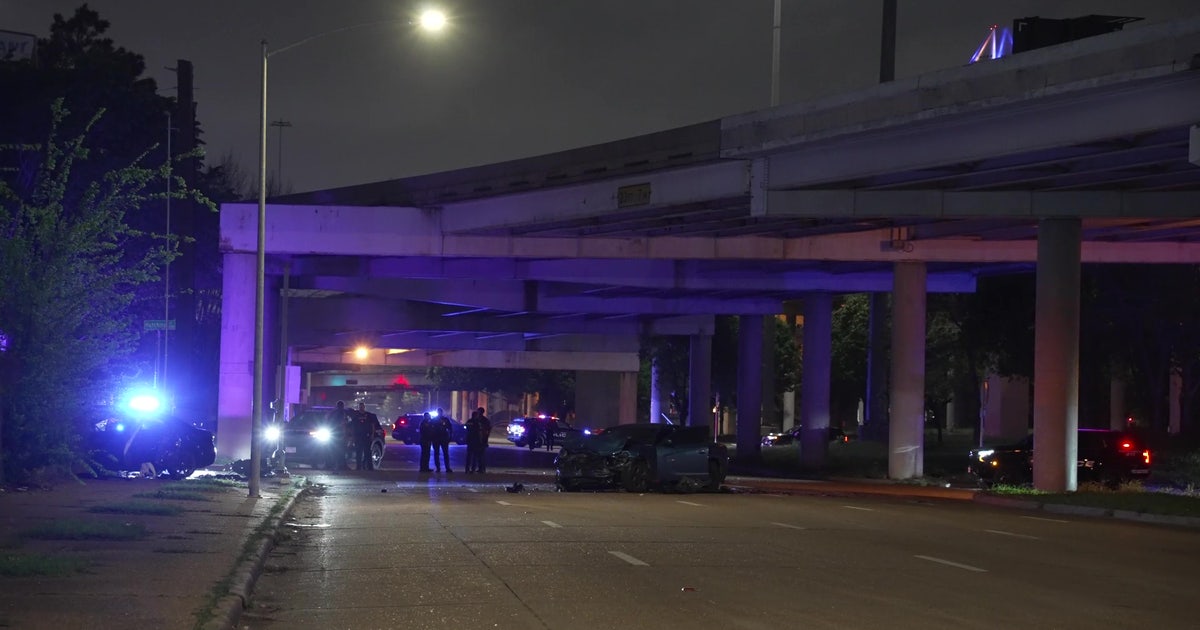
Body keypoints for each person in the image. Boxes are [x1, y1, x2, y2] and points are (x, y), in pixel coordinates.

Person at [352, 402, 377, 471]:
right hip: (358, 436)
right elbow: (353, 426)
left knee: (368, 452)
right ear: (359, 407)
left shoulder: (368, 415)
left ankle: (369, 467)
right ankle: (358, 467)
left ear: (364, 407)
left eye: (362, 406)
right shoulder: (356, 415)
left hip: (367, 436)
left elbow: (372, 425)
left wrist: (372, 434)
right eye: (360, 406)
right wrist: (353, 436)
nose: (361, 408)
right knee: (358, 452)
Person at [433, 407, 453, 472]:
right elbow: (431, 429)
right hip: (437, 438)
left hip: (443, 438)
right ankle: (439, 468)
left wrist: (450, 436)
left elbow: (450, 428)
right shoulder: (434, 419)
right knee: (437, 453)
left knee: (445, 453)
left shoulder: (445, 420)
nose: (439, 413)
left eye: (440, 412)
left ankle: (446, 468)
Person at [464, 409, 483, 473]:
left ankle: (467, 469)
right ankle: (473, 469)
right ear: (476, 416)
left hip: (469, 440)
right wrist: (481, 440)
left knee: (469, 456)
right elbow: (479, 432)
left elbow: (465, 428)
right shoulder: (477, 422)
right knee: (474, 456)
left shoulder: (469, 421)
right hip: (475, 440)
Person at [476, 408, 492, 473]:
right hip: (478, 439)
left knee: (481, 455)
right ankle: (480, 468)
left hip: (482, 439)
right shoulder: (479, 419)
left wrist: (486, 437)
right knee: (479, 455)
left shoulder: (483, 420)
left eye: (478, 411)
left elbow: (488, 429)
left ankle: (482, 468)